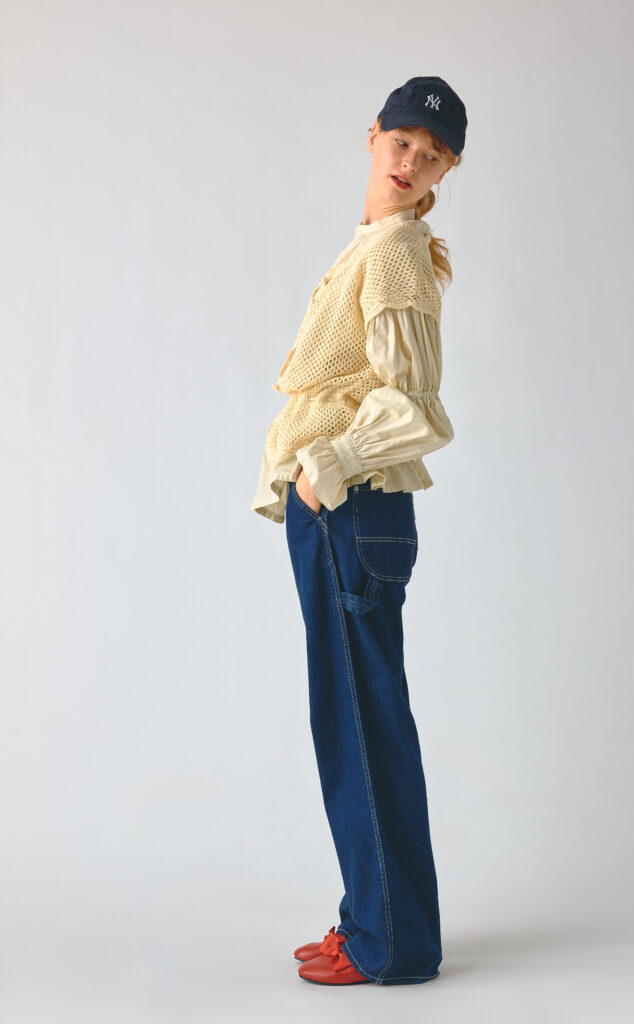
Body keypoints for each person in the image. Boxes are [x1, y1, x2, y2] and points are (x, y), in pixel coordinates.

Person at [251, 75, 468, 986]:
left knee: (360, 724)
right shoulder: (376, 246)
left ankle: (390, 943)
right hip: (344, 510)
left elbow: (419, 410)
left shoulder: (396, 253)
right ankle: (377, 921)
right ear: (374, 135)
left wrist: (326, 468)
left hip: (352, 506)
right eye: (402, 140)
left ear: (446, 170)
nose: (410, 159)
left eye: (432, 153)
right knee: (359, 718)